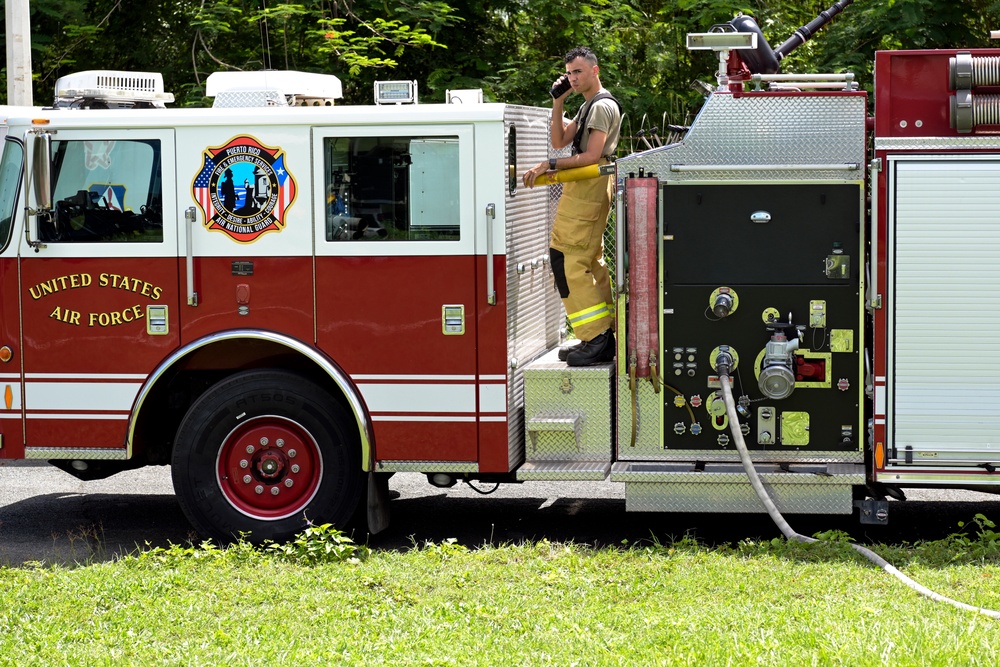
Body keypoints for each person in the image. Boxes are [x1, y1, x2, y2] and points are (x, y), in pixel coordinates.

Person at [522, 46, 622, 366]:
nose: (572, 78)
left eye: (578, 72)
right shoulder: (586, 106)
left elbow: (592, 156)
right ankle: (601, 335)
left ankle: (597, 337)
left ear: (595, 70)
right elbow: (560, 140)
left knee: (566, 258)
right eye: (569, 73)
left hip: (589, 184)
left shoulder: (602, 106)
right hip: (584, 185)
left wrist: (550, 165)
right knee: (587, 261)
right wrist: (558, 101)